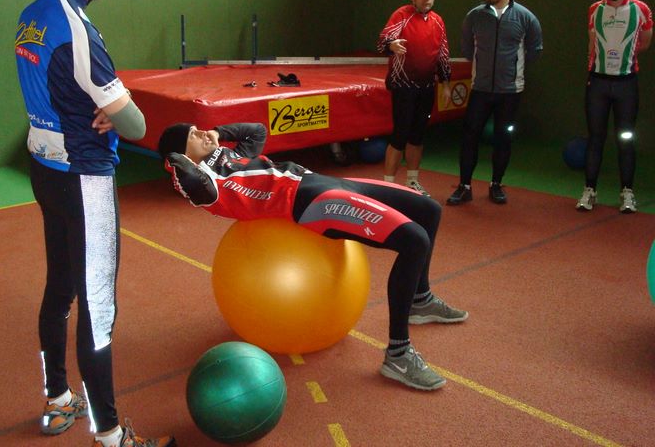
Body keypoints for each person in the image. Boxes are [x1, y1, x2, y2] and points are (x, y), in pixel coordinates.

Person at [15, 0, 174, 447]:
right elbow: (136, 124)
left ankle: (58, 399)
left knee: (60, 287)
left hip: (45, 168)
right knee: (98, 307)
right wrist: (117, 107)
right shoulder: (78, 29)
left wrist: (103, 102)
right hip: (85, 176)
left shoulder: (32, 16)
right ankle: (109, 436)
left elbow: (61, 87)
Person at [158, 122, 468, 391]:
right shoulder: (208, 184)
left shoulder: (230, 156)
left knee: (429, 210)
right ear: (182, 154)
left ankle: (419, 299)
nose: (201, 132)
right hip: (311, 203)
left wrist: (217, 133)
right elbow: (190, 180)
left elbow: (257, 131)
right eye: (192, 134)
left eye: (198, 128)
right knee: (414, 241)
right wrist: (177, 159)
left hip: (320, 181)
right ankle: (398, 355)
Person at [446, 0, 543, 206]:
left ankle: (496, 184)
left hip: (510, 91)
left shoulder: (525, 17)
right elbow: (467, 49)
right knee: (469, 136)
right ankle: (464, 186)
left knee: (503, 138)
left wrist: (511, 69)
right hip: (480, 89)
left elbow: (534, 50)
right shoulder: (475, 16)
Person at [576, 0, 652, 213]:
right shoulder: (594, 9)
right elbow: (591, 44)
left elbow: (644, 42)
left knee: (625, 138)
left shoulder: (641, 9)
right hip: (598, 83)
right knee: (595, 137)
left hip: (626, 84)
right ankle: (589, 190)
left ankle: (627, 192)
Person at [377, 0, 452, 197]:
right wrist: (392, 45)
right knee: (399, 136)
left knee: (418, 136)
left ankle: (412, 181)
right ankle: (388, 186)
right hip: (403, 86)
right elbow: (382, 41)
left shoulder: (438, 21)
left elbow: (443, 54)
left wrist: (446, 84)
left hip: (426, 86)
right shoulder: (402, 15)